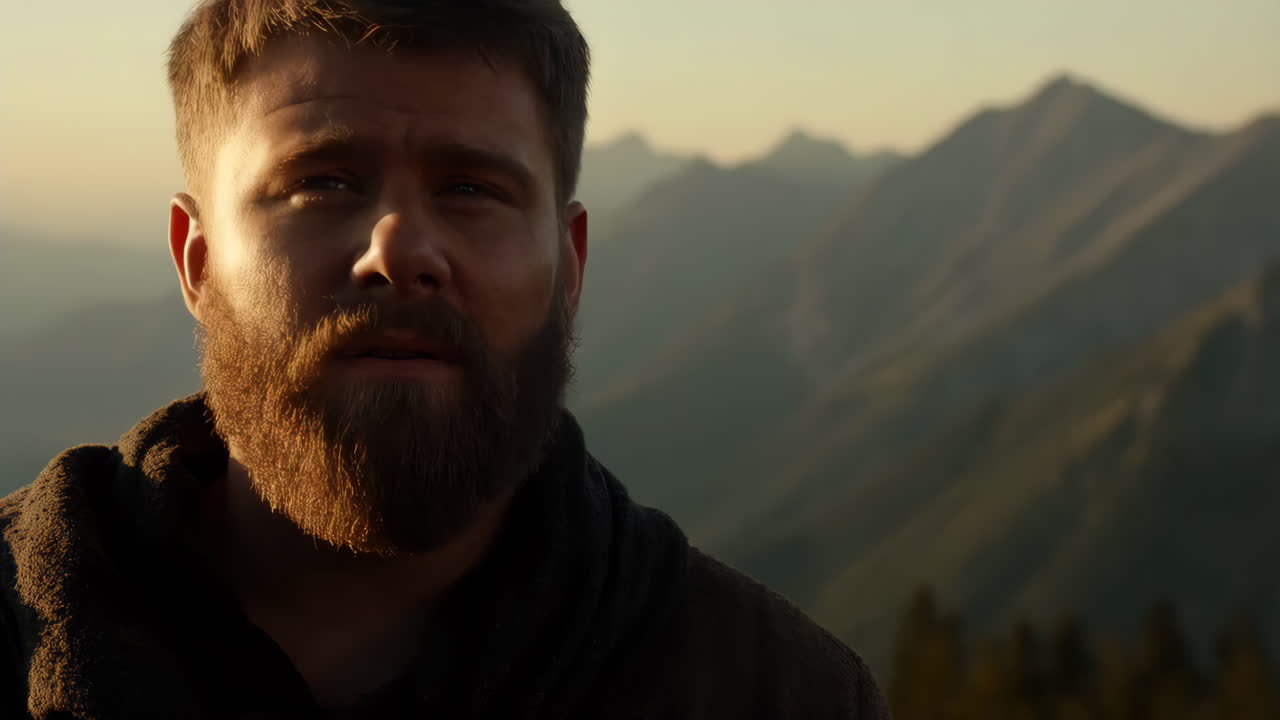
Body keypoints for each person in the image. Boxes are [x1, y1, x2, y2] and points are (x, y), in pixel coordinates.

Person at [0, 1, 889, 717]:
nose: (399, 248)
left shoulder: (780, 693)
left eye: (471, 188)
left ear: (569, 264)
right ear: (196, 259)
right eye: (321, 181)